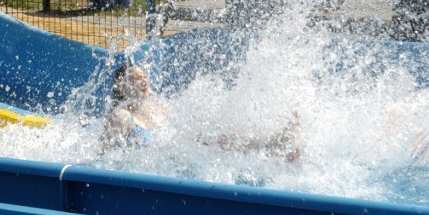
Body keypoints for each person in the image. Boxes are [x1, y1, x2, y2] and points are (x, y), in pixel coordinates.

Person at [101, 64, 301, 161]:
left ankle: (275, 146)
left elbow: (180, 128)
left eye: (144, 77)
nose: (143, 82)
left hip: (172, 154)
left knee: (216, 138)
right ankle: (276, 150)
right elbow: (105, 155)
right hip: (151, 163)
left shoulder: (159, 106)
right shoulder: (121, 116)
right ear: (120, 87)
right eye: (136, 78)